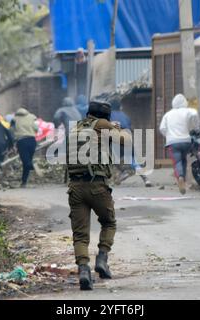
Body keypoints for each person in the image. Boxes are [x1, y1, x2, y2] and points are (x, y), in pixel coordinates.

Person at [66, 100, 132, 290]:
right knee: (109, 222)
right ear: (106, 116)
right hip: (97, 186)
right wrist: (120, 130)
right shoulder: (102, 124)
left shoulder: (76, 128)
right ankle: (102, 259)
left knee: (80, 235)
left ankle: (84, 270)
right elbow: (126, 141)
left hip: (75, 187)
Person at [159, 94, 199, 195]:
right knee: (184, 160)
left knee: (177, 162)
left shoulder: (167, 114)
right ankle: (183, 179)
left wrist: (168, 135)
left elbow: (162, 128)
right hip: (186, 141)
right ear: (184, 102)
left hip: (173, 143)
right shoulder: (188, 111)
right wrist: (194, 127)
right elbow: (194, 114)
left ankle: (180, 177)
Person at [110, 99, 153, 187]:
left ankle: (121, 174)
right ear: (120, 107)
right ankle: (146, 179)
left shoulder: (109, 115)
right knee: (134, 161)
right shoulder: (125, 116)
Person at [12, 107, 38, 188]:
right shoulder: (31, 117)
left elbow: (11, 131)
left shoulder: (14, 119)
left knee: (26, 162)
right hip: (32, 140)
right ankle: (24, 182)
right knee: (26, 162)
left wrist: (12, 142)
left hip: (22, 141)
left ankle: (32, 166)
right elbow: (36, 128)